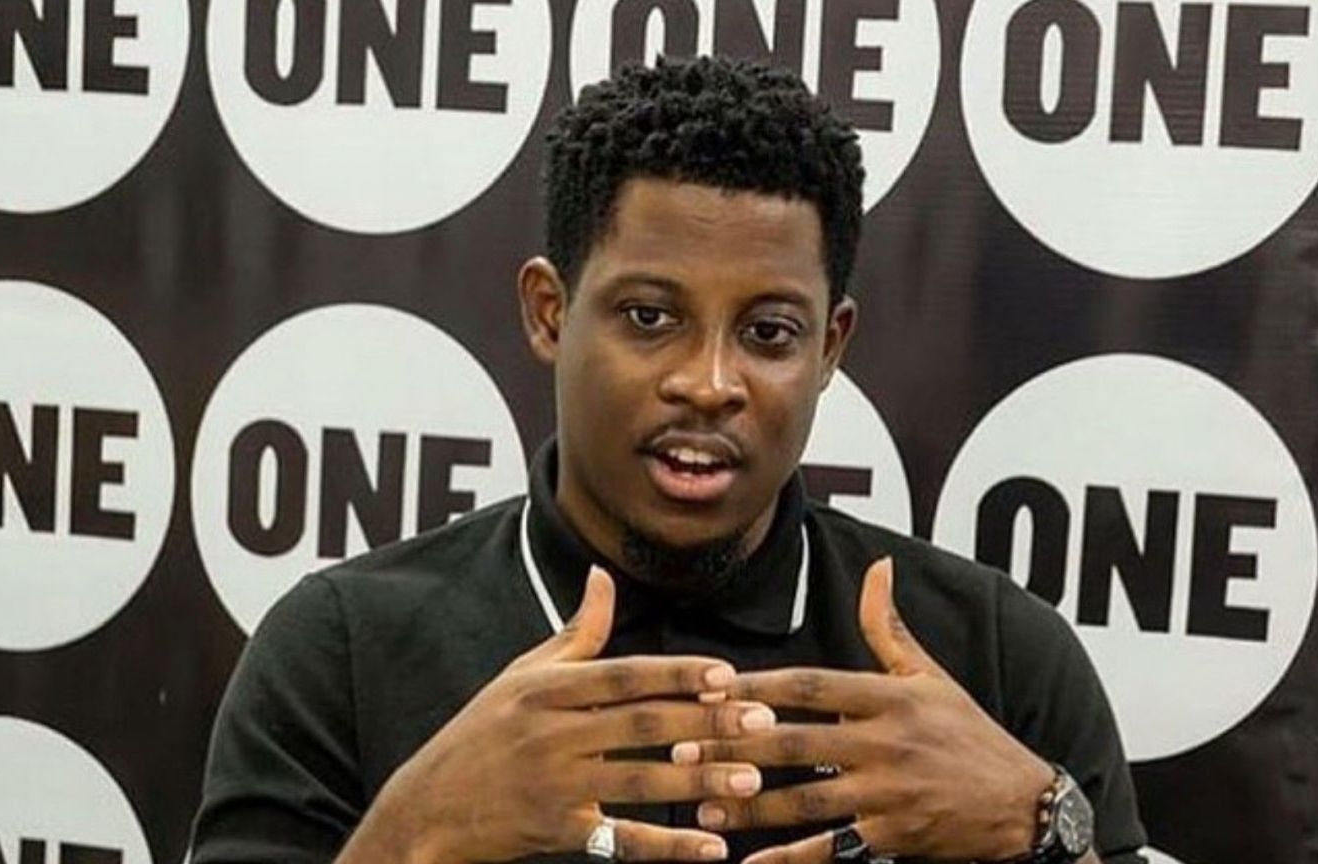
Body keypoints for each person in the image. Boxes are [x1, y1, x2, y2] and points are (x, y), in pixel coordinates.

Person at [191, 56, 1147, 864]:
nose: (710, 381)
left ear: (831, 347)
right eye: (650, 318)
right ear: (549, 313)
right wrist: (410, 838)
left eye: (770, 333)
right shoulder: (342, 651)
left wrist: (1045, 828)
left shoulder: (994, 656)